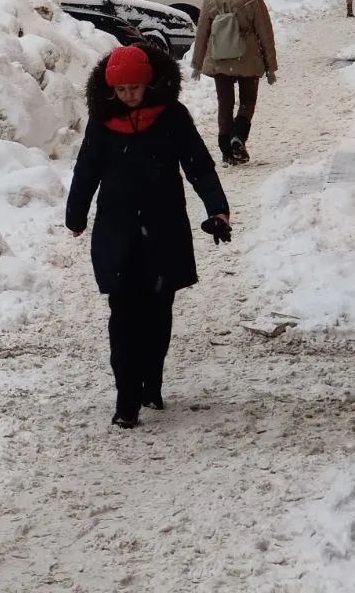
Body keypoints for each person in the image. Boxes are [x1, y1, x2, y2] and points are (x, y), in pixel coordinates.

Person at [66, 44, 230, 429]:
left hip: (164, 228)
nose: (128, 96)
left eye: (134, 89)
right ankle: (126, 398)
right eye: (121, 91)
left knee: (158, 310)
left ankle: (151, 379)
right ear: (110, 91)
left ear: (148, 84)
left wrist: (216, 208)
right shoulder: (103, 122)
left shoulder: (172, 117)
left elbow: (199, 165)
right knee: (123, 313)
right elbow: (86, 171)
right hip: (117, 231)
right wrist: (75, 215)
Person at [191, 0, 278, 165]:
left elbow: (202, 31)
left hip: (220, 56)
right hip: (247, 56)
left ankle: (225, 149)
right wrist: (270, 66)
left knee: (225, 103)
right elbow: (264, 32)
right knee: (248, 100)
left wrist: (197, 63)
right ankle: (238, 135)